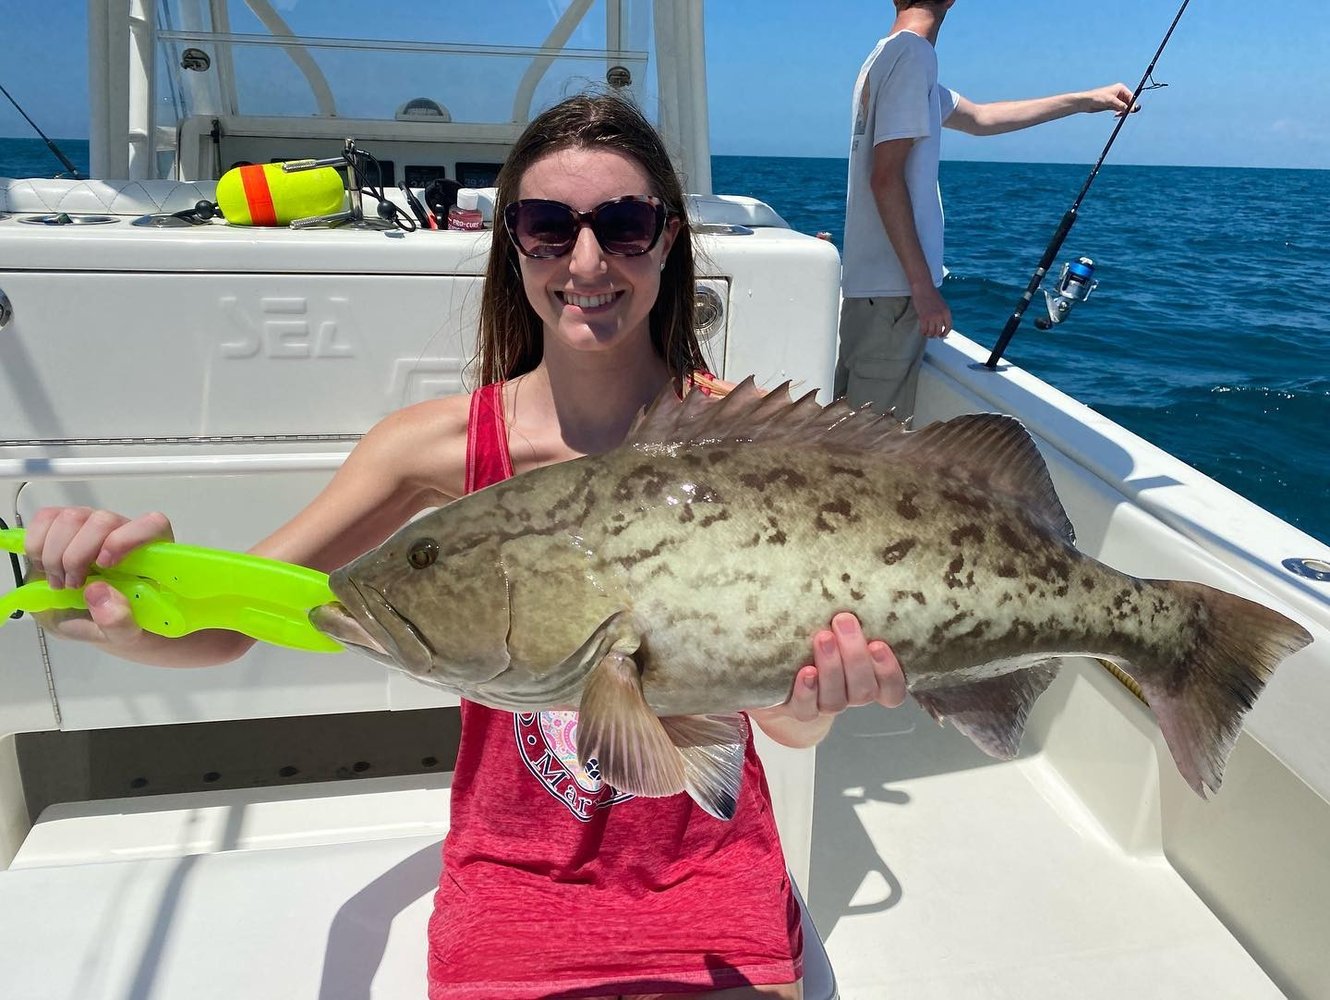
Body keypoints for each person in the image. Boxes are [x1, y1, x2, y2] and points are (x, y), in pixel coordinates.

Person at [24, 94, 907, 1000]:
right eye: (548, 226)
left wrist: (817, 703)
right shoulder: (433, 448)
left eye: (626, 224)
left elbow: (780, 728)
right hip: (514, 887)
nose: (588, 260)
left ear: (668, 239)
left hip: (713, 886)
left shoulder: (743, 450)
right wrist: (134, 615)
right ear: (512, 242)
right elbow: (251, 616)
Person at [836, 0, 1138, 420]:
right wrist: (923, 290)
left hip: (873, 295)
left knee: (848, 437)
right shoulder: (912, 55)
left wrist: (1085, 100)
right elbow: (886, 178)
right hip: (892, 295)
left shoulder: (888, 55)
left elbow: (980, 118)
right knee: (865, 455)